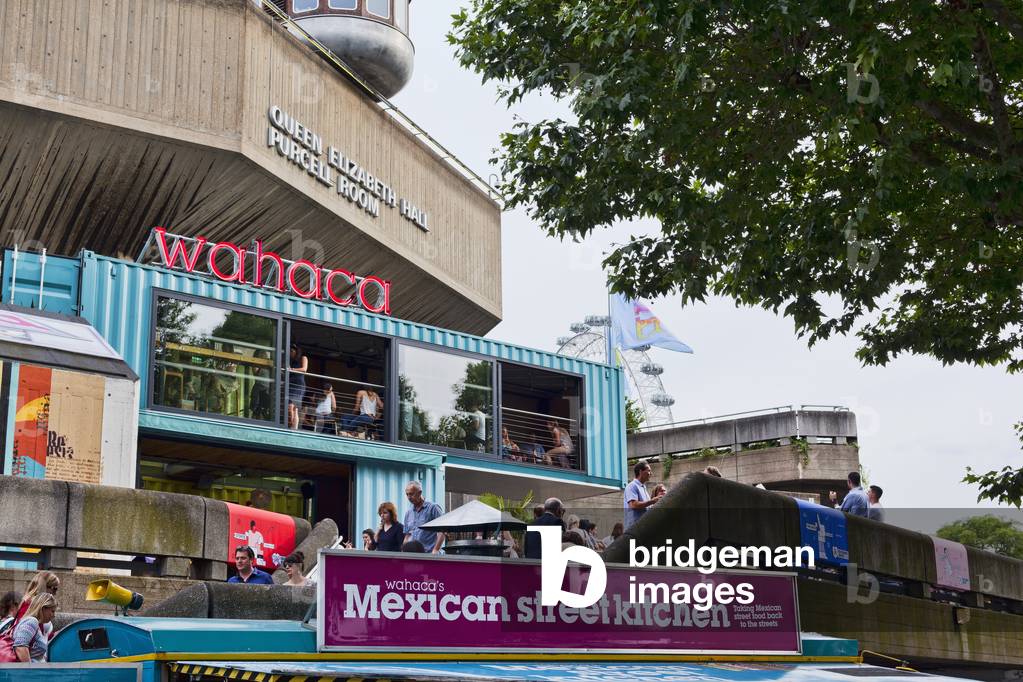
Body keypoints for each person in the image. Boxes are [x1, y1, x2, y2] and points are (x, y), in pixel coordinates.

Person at [12, 593, 57, 663]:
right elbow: (20, 647)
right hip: (26, 672)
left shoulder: (37, 624)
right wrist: (30, 671)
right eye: (52, 611)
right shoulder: (32, 621)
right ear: (43, 608)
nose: (54, 615)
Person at [402, 481, 445, 554]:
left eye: (411, 494)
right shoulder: (408, 513)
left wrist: (436, 550)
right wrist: (403, 551)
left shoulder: (433, 508)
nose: (409, 497)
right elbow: (407, 535)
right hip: (412, 555)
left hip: (429, 554)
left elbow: (442, 531)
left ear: (420, 492)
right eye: (407, 494)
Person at [624, 460, 663, 530]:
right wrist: (652, 501)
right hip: (634, 530)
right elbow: (633, 505)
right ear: (640, 471)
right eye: (649, 471)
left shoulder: (643, 488)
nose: (651, 473)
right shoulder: (632, 486)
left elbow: (647, 508)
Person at [287, 344, 308, 430]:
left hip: (298, 385)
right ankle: (292, 425)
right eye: (290, 351)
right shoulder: (291, 361)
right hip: (290, 384)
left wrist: (292, 369)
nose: (290, 353)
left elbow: (304, 369)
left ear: (297, 351)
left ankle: (293, 427)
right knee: (290, 407)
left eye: (292, 351)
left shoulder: (303, 358)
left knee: (293, 408)